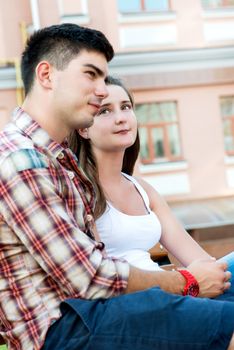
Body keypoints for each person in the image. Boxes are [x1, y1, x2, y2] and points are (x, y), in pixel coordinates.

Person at [0, 23, 233, 350]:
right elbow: (90, 276)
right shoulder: (22, 160)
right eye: (90, 74)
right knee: (225, 323)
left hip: (94, 312)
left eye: (103, 77)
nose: (101, 89)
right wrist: (188, 281)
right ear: (47, 75)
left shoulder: (57, 159)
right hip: (66, 330)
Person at [74, 75, 218, 271]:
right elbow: (102, 279)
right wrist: (186, 282)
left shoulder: (143, 189)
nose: (121, 118)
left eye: (125, 107)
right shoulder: (78, 189)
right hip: (142, 298)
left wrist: (213, 275)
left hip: (171, 293)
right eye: (105, 111)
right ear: (83, 129)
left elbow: (200, 259)